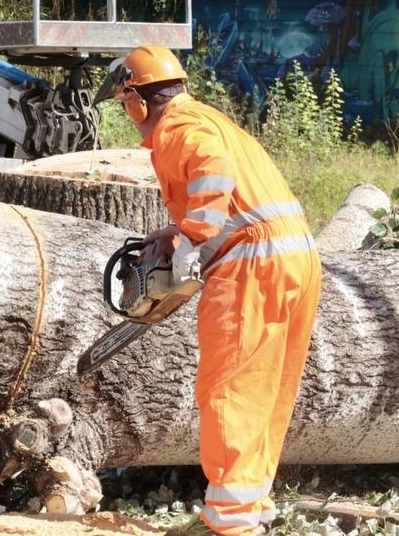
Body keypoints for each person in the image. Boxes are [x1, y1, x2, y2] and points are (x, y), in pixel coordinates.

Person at [95, 45, 322, 535]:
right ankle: (248, 508)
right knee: (266, 389)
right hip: (295, 255)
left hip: (254, 263)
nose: (128, 117)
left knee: (229, 388)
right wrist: (177, 233)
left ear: (137, 101)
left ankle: (227, 525)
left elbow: (211, 167)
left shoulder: (179, 127)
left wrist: (192, 232)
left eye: (124, 106)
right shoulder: (208, 116)